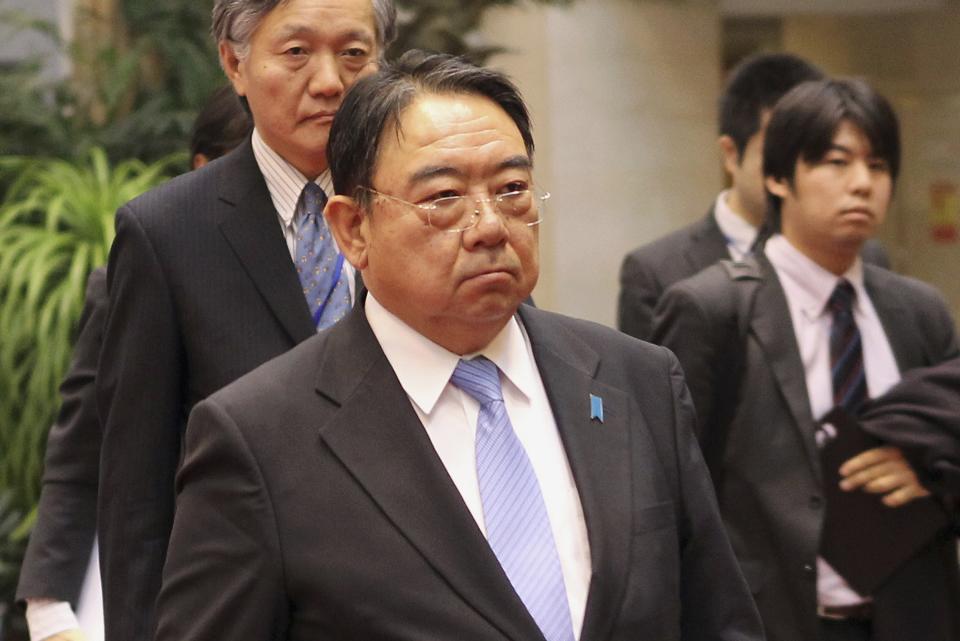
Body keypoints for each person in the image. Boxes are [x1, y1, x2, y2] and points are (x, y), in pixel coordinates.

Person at [154, 51, 764, 641]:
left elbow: (717, 618)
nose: (491, 226)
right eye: (444, 198)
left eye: (512, 189)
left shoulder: (637, 382)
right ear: (353, 229)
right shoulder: (260, 437)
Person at [94, 2, 397, 640]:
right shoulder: (166, 233)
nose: (329, 81)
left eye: (353, 54)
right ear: (235, 63)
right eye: (296, 53)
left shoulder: (425, 208)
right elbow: (136, 490)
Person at [652, 78, 959, 641]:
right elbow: (669, 490)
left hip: (913, 616)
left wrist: (934, 475)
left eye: (879, 165)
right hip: (776, 622)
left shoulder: (919, 311)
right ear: (777, 176)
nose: (863, 184)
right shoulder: (713, 308)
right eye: (836, 162)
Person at [14, 84, 251, 641]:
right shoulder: (145, 266)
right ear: (204, 167)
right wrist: (48, 608)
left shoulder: (358, 266)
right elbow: (82, 447)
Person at [617, 53, 889, 341]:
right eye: (776, 154)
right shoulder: (657, 271)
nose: (789, 171)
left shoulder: (865, 256)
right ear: (731, 154)